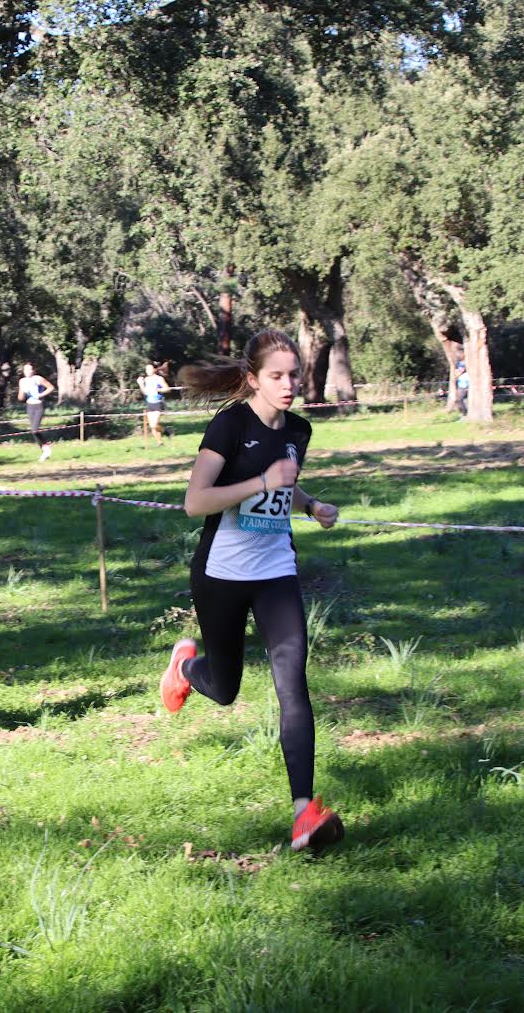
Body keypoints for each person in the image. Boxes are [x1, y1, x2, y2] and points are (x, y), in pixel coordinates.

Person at [158, 329, 343, 853]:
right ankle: (186, 668)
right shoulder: (231, 424)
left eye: (294, 375)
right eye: (276, 376)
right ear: (253, 378)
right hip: (221, 573)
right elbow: (196, 501)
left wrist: (310, 505)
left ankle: (303, 813)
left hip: (275, 571)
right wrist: (262, 482)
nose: (288, 385)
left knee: (293, 682)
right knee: (225, 688)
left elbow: (286, 482)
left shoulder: (298, 430)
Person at [18, 363, 56, 461]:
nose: (27, 372)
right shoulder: (22, 381)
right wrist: (22, 392)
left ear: (33, 370)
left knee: (35, 430)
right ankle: (44, 451)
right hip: (29, 406)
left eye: (30, 369)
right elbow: (20, 398)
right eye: (25, 370)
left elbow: (51, 387)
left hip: (38, 405)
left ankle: (46, 447)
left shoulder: (38, 379)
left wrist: (41, 395)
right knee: (33, 431)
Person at [139, 363, 171, 445]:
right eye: (146, 369)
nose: (148, 371)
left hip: (158, 403)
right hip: (149, 403)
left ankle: (165, 431)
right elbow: (145, 392)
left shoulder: (159, 379)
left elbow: (167, 389)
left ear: (154, 370)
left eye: (150, 369)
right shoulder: (146, 379)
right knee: (152, 426)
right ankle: (160, 442)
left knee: (154, 425)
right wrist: (141, 384)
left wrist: (158, 389)